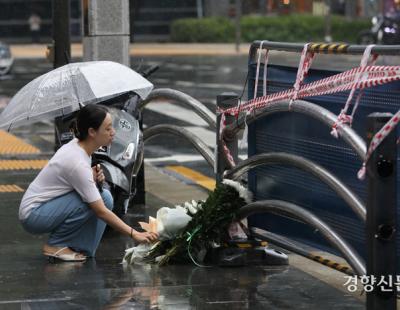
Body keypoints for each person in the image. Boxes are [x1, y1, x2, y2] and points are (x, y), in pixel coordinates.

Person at [19, 104, 157, 262]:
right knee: (99, 202)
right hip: (34, 215)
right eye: (107, 128)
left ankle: (81, 249)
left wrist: (91, 179)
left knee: (105, 196)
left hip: (45, 208)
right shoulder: (77, 161)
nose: (113, 132)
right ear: (92, 132)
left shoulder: (80, 148)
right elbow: (100, 212)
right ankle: (56, 245)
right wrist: (135, 234)